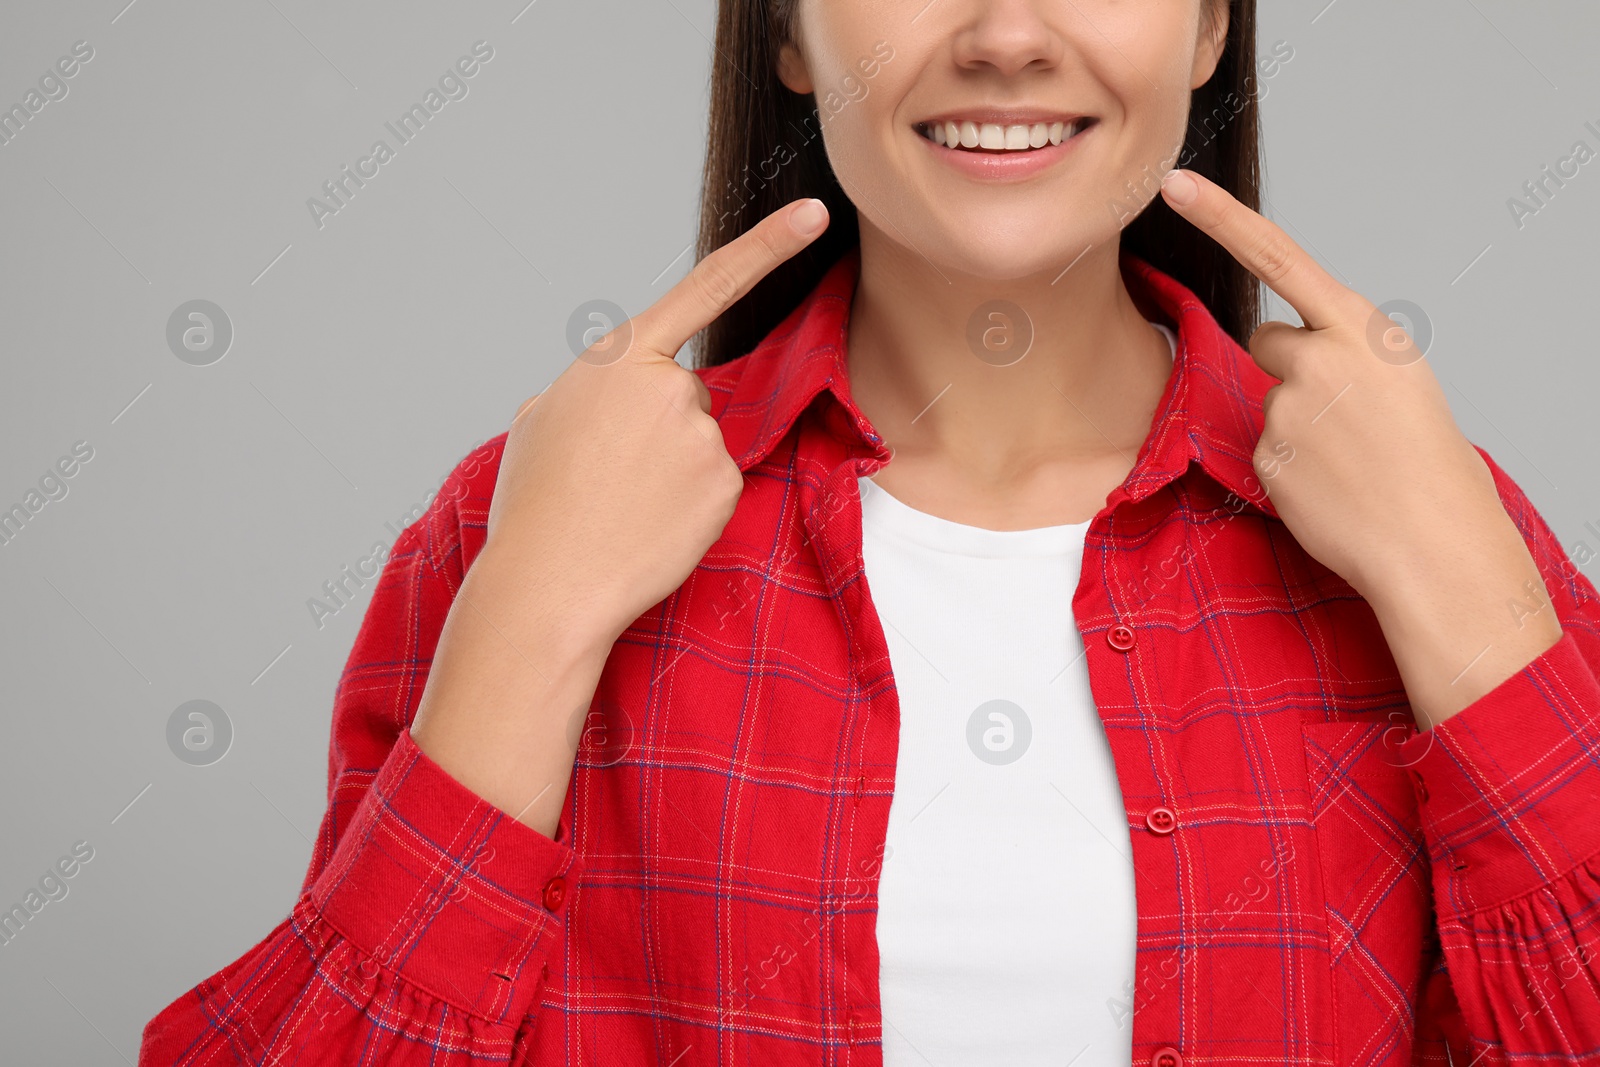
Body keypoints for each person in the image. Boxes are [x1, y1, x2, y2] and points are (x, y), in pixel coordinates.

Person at [138, 1, 1600, 1064]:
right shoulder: (519, 526)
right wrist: (532, 618)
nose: (1010, 36)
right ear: (786, 35)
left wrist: (1469, 610)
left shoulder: (1439, 527)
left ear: (1211, 28)